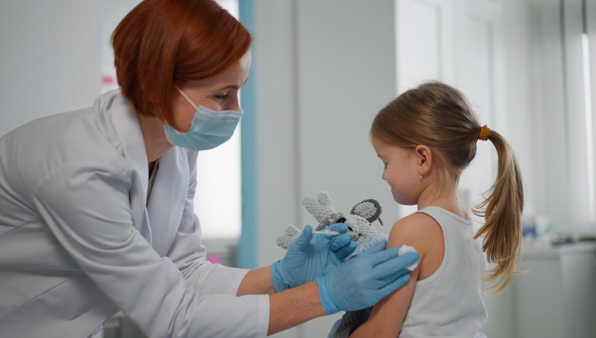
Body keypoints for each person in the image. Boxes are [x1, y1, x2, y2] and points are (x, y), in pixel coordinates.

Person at [0, 1, 419, 337]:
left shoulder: (176, 147)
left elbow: (184, 272)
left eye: (239, 90)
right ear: (155, 84)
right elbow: (174, 318)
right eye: (222, 95)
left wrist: (277, 277)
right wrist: (325, 295)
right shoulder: (77, 167)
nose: (237, 111)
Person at [350, 81, 524, 337]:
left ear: (422, 159)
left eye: (386, 162)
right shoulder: (466, 228)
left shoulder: (412, 230)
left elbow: (380, 331)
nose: (383, 176)